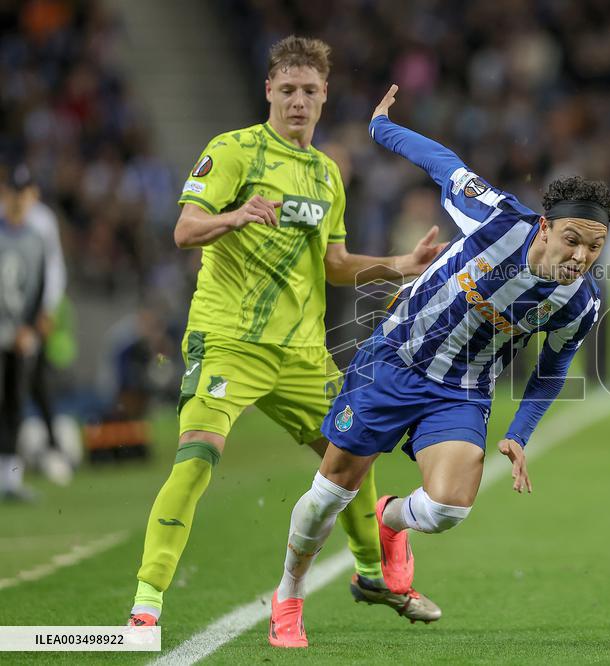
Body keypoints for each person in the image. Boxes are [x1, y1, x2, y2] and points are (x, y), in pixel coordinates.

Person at [267, 84, 610, 648]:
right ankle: (288, 597)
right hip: (393, 362)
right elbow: (443, 163)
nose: (580, 257)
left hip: (463, 391)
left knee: (449, 507)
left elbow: (552, 369)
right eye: (573, 240)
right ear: (546, 226)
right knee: (328, 496)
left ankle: (390, 521)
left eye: (594, 248)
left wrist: (520, 434)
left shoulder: (581, 302)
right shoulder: (498, 219)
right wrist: (381, 128)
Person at [127, 38, 447, 628]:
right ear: (269, 91)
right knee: (197, 458)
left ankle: (373, 576)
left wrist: (400, 265)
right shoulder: (234, 152)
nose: (298, 102)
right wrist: (235, 216)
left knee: (353, 456)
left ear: (324, 97)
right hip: (229, 340)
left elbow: (335, 263)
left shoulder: (326, 174)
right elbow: (185, 229)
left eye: (309, 92)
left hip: (301, 354)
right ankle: (147, 603)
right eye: (287, 90)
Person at [5, 165, 72, 485]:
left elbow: (52, 268)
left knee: (34, 383)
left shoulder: (42, 222)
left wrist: (46, 311)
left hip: (31, 317)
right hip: (7, 318)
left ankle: (52, 447)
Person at [0, 166, 47, 502]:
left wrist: (28, 327)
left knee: (15, 403)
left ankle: (10, 478)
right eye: (14, 192)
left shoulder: (35, 239)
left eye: (23, 193)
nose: (18, 200)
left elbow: (38, 286)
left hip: (20, 335)